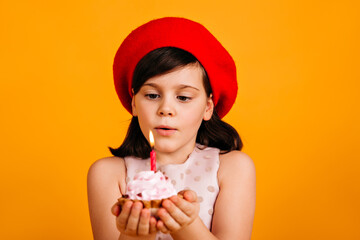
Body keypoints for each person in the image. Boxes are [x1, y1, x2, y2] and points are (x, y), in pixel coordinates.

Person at [87, 17, 256, 240]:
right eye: (152, 95)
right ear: (134, 103)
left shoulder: (232, 168)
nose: (166, 109)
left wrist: (185, 225)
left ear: (207, 108)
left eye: (183, 97)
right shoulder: (109, 174)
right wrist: (136, 233)